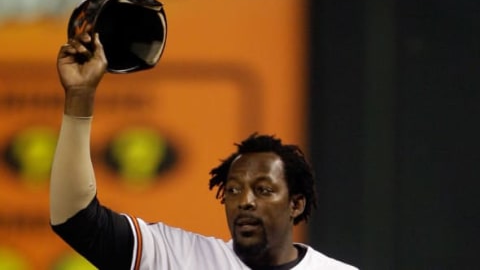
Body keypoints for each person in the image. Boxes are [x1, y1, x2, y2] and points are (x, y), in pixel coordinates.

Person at [49, 31, 358, 270]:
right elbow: (76, 219)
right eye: (234, 190)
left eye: (263, 190)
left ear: (296, 204)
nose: (245, 202)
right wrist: (79, 97)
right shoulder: (181, 258)